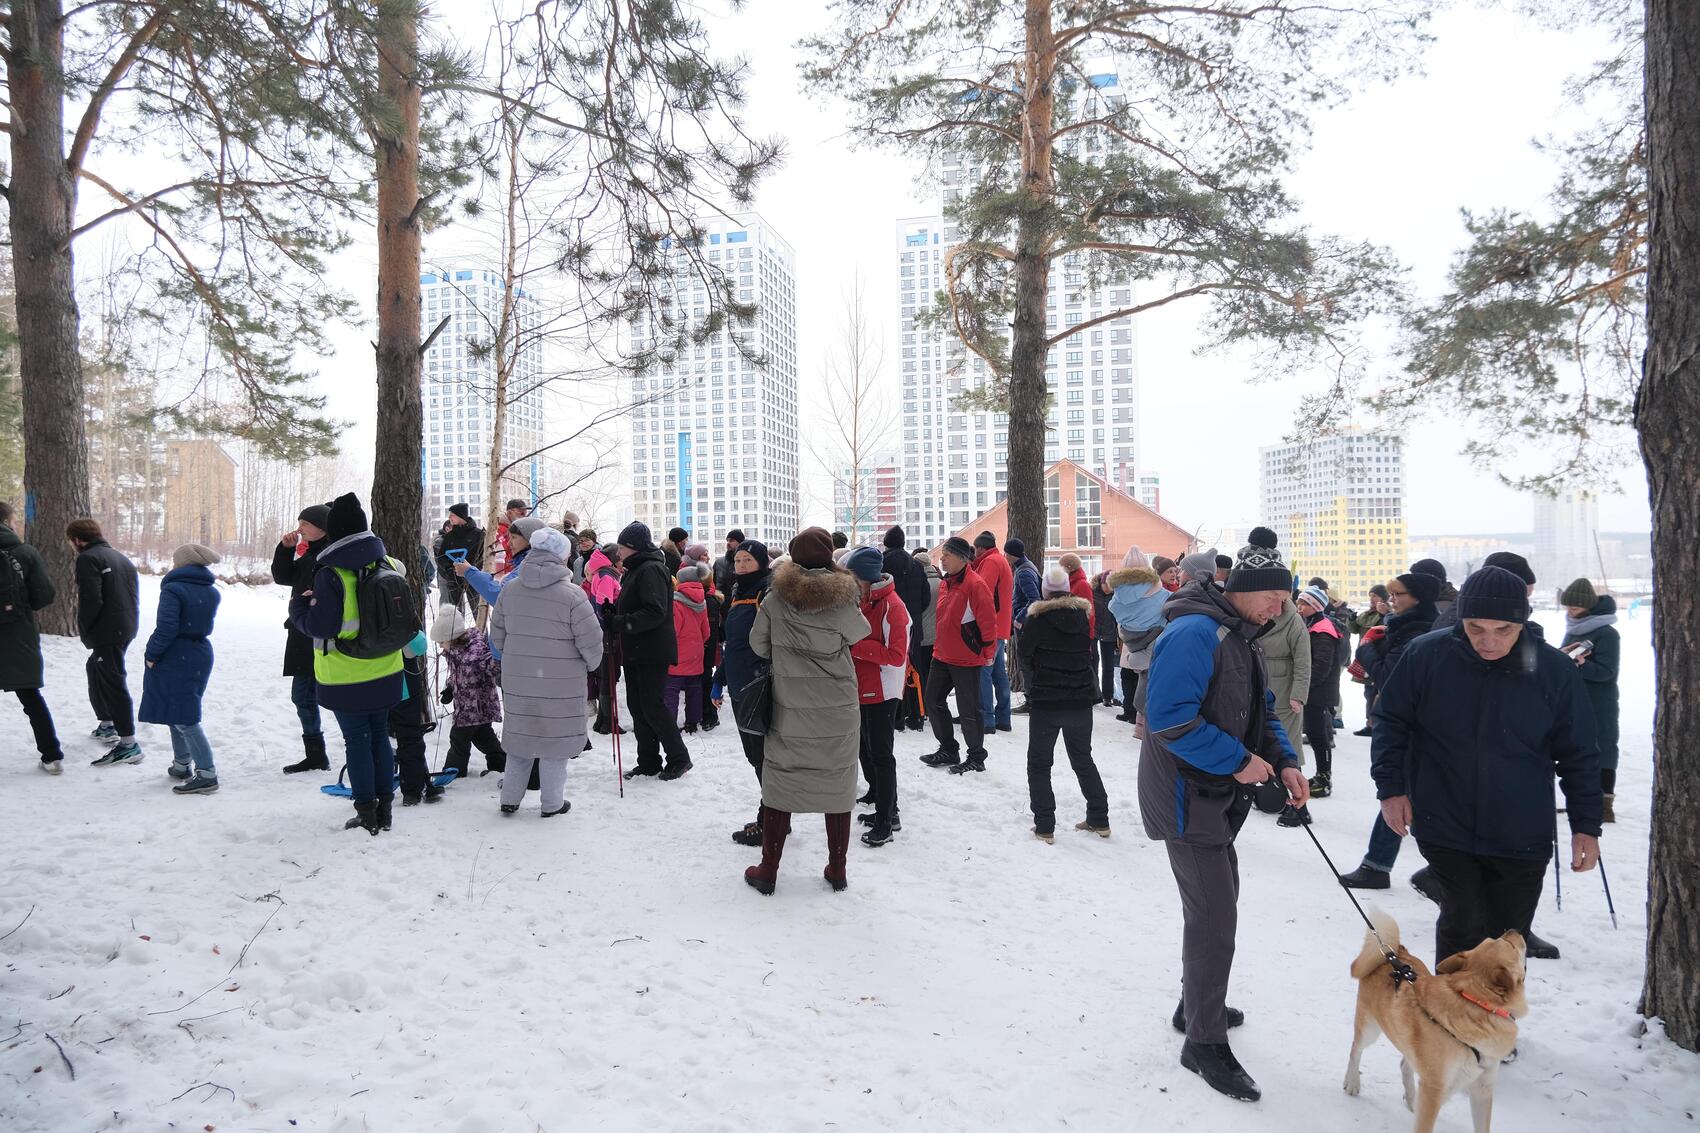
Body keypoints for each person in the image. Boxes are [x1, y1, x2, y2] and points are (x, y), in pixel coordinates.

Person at [1137, 531, 1308, 1103]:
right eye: (1273, 598)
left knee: (1216, 905)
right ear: (1243, 592)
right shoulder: (1194, 633)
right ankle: (1203, 1042)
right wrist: (1240, 762)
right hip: (1188, 797)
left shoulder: (1242, 634)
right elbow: (1169, 720)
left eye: (1285, 598)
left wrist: (1283, 760)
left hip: (1214, 796)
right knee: (1215, 919)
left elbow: (1262, 708)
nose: (1280, 608)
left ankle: (1195, 1005)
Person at [1370, 565, 1602, 966]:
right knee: (1462, 921)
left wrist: (1586, 825)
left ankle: (1495, 1023)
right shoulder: (1427, 654)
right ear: (1461, 619)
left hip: (1521, 829)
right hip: (1445, 818)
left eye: (1503, 630)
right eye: (1476, 628)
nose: (1489, 641)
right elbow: (1391, 723)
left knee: (1506, 940)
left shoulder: (1552, 669)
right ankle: (1449, 1024)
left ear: (1522, 622)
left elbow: (1579, 752)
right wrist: (1391, 789)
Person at [743, 528, 870, 894]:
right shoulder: (843, 599)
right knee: (837, 781)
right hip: (837, 706)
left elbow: (758, 644)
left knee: (781, 782)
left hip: (789, 704)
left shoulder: (775, 598)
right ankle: (838, 868)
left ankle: (768, 869)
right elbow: (858, 634)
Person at [289, 493, 408, 836]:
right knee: (380, 740)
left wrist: (299, 607)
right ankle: (384, 809)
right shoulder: (388, 563)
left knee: (357, 741)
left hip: (346, 674)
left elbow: (322, 627)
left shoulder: (332, 573)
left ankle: (366, 812)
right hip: (386, 669)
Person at [487, 528, 603, 817]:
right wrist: (591, 664)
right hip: (561, 683)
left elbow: (497, 636)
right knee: (556, 743)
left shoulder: (509, 590)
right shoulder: (573, 595)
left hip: (519, 678)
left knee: (520, 739)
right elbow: (591, 642)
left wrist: (514, 656)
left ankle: (509, 799)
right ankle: (551, 804)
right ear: (561, 557)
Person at [1339, 568, 1442, 890]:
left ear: (1418, 599)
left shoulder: (1417, 630)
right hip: (1411, 720)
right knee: (1405, 793)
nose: (1392, 601)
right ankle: (1383, 866)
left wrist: (1367, 648)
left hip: (1415, 724)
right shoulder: (1407, 626)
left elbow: (1390, 676)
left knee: (1405, 792)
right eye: (1391, 595)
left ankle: (1431, 870)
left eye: (1398, 595)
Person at [1022, 566, 1110, 843]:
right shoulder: (1082, 617)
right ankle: (1100, 818)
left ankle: (1045, 826)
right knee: (1083, 759)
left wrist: (1034, 677)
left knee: (1039, 764)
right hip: (1080, 699)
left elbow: (1024, 655)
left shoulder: (1037, 620)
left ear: (1045, 591)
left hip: (1047, 702)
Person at [611, 522, 692, 780]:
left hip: (651, 650)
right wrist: (615, 613)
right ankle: (648, 761)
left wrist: (621, 622)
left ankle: (679, 758)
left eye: (622, 547)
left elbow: (655, 611)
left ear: (633, 548)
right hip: (637, 649)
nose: (619, 552)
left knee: (652, 706)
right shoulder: (636, 569)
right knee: (638, 706)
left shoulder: (651, 569)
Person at [140, 543, 223, 793]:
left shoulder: (174, 589)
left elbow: (166, 627)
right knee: (178, 711)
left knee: (185, 717)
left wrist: (152, 653)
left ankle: (207, 773)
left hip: (177, 654)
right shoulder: (211, 590)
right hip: (199, 652)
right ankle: (181, 764)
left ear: (181, 563)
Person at [848, 546, 910, 847]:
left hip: (883, 690)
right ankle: (879, 798)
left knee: (882, 754)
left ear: (868, 579)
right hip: (863, 686)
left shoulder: (893, 607)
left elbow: (897, 656)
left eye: (853, 578)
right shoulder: (866, 601)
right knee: (867, 748)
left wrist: (855, 647)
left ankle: (888, 817)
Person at [68, 517, 142, 766]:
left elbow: (91, 599)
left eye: (71, 542)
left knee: (113, 681)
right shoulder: (119, 557)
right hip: (124, 627)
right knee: (95, 668)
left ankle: (128, 744)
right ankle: (108, 723)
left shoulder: (88, 558)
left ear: (77, 540)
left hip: (108, 630)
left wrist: (86, 629)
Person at [920, 537, 996, 774]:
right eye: (942, 554)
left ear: (962, 559)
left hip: (967, 657)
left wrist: (988, 652)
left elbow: (987, 621)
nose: (941, 558)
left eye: (947, 555)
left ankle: (976, 757)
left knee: (969, 710)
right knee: (932, 700)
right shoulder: (946, 582)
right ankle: (948, 749)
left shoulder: (975, 584)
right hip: (942, 654)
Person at [0, 501, 65, 773]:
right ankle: (52, 756)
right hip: (18, 634)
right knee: (30, 697)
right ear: (8, 520)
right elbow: (45, 595)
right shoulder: (25, 553)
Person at [720, 540, 773, 846]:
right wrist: (720, 678)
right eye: (737, 561)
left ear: (761, 563)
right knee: (755, 756)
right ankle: (774, 816)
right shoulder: (738, 591)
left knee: (763, 756)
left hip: (758, 684)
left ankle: (771, 820)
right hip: (740, 683)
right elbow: (733, 644)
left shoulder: (766, 590)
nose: (740, 566)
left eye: (747, 561)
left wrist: (760, 671)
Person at [272, 504, 332, 773]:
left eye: (305, 524)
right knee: (303, 696)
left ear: (322, 526)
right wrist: (284, 550)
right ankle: (315, 753)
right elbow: (283, 577)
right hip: (301, 633)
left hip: (321, 636)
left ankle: (370, 748)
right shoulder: (311, 554)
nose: (299, 528)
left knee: (338, 698)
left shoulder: (331, 554)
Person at [1560, 578, 1621, 822]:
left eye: (1574, 607)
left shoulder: (1607, 633)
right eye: (1568, 607)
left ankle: (1605, 805)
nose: (1570, 611)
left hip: (1600, 701)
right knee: (1578, 747)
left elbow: (1607, 671)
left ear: (1587, 605)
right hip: (1575, 698)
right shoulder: (1575, 628)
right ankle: (1582, 800)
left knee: (1603, 749)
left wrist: (1582, 664)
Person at [430, 604, 508, 777]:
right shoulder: (456, 653)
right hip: (469, 708)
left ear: (453, 637)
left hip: (477, 706)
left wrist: (499, 654)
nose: (442, 647)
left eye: (442, 642)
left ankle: (453, 771)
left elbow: (493, 665)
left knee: (458, 739)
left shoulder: (476, 653)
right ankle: (500, 764)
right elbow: (459, 675)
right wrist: (450, 688)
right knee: (484, 737)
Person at [1294, 584, 1343, 806]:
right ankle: (1323, 776)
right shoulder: (1314, 624)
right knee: (1316, 734)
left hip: (1318, 693)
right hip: (1316, 691)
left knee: (1318, 735)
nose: (1299, 607)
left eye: (1304, 603)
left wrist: (1304, 686)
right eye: (1299, 602)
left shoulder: (1323, 629)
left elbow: (1321, 665)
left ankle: (1324, 778)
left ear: (1315, 606)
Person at [1109, 547, 1166, 725]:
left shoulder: (1117, 596)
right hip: (1155, 641)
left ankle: (1137, 719)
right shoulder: (1162, 595)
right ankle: (1145, 723)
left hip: (1130, 640)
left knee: (1132, 678)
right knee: (1153, 684)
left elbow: (1113, 608)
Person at [390, 626, 445, 807]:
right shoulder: (399, 607)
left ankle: (375, 788)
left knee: (373, 738)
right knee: (409, 738)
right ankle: (412, 790)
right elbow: (419, 646)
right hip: (400, 684)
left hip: (367, 683)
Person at [970, 531, 1014, 733]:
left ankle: (987, 719)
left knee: (983, 673)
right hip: (1002, 625)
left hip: (991, 626)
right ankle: (1004, 718)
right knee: (998, 673)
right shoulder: (1002, 561)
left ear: (980, 548)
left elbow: (982, 592)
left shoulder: (990, 563)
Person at [582, 543, 624, 735]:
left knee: (607, 675)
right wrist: (610, 623)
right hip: (606, 633)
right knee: (608, 676)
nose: (624, 562)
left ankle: (602, 720)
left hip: (603, 632)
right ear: (614, 560)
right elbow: (603, 605)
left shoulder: (604, 573)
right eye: (621, 558)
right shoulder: (607, 576)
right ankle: (608, 721)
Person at [457, 516, 544, 607]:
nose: (508, 543)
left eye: (514, 537)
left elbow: (501, 597)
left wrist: (469, 572)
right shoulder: (539, 563)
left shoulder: (530, 567)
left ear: (530, 540)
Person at [666, 563, 712, 734]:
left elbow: (674, 630)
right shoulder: (703, 601)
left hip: (677, 654)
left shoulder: (675, 601)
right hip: (696, 654)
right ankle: (692, 722)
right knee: (694, 690)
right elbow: (706, 631)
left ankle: (669, 724)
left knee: (671, 691)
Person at [903, 547, 940, 731]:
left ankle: (923, 707)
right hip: (939, 635)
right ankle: (935, 707)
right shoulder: (942, 582)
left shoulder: (918, 582)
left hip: (923, 634)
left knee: (922, 673)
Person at [1347, 585, 1390, 737]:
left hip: (1378, 657)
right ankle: (1369, 723)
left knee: (1376, 692)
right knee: (1368, 692)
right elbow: (1354, 629)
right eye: (1370, 596)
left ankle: (1375, 723)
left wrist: (1385, 614)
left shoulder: (1387, 613)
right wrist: (1351, 619)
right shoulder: (1367, 614)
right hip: (1366, 657)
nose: (1372, 599)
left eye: (1375, 596)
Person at [1005, 538, 1042, 707]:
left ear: (1010, 554)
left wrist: (1018, 619)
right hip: (1029, 624)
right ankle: (1032, 697)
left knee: (1026, 662)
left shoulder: (1023, 572)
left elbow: (1034, 599)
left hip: (1026, 625)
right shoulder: (1027, 567)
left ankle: (1031, 700)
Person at [433, 503, 484, 612]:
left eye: (452, 515)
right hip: (454, 579)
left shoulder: (478, 534)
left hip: (474, 578)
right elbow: (441, 557)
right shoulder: (449, 536)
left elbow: (484, 556)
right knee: (455, 613)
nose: (449, 518)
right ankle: (457, 630)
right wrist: (450, 570)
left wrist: (473, 569)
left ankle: (481, 629)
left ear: (461, 516)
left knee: (477, 611)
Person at [1091, 570, 1121, 708]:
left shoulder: (1117, 595)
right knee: (1093, 661)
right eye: (1106, 585)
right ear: (1101, 583)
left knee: (1108, 666)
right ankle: (1094, 694)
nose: (1109, 589)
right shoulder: (1092, 592)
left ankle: (1108, 696)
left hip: (1109, 632)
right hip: (1094, 631)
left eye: (1112, 586)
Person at [496, 498, 530, 574]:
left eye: (525, 513)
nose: (524, 516)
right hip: (508, 571)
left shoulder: (517, 528)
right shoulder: (500, 530)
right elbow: (507, 550)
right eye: (520, 513)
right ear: (509, 512)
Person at [714, 529, 744, 602]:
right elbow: (713, 584)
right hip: (721, 605)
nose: (728, 543)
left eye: (732, 540)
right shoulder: (719, 562)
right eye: (727, 540)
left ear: (740, 543)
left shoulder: (746, 563)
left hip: (740, 603)